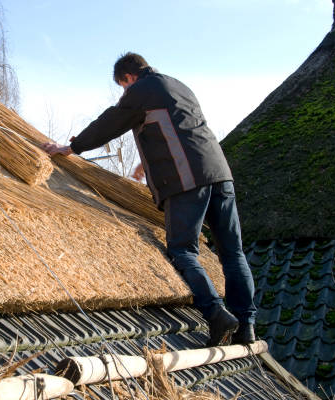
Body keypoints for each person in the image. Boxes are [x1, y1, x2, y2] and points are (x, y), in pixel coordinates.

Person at [42, 52, 257, 347]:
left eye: (123, 87)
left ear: (128, 78)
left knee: (183, 250)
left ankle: (217, 314)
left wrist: (72, 146)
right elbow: (179, 130)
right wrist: (147, 163)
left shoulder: (141, 90)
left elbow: (111, 121)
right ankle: (246, 326)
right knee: (233, 253)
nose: (124, 93)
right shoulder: (177, 86)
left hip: (186, 180)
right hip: (220, 175)